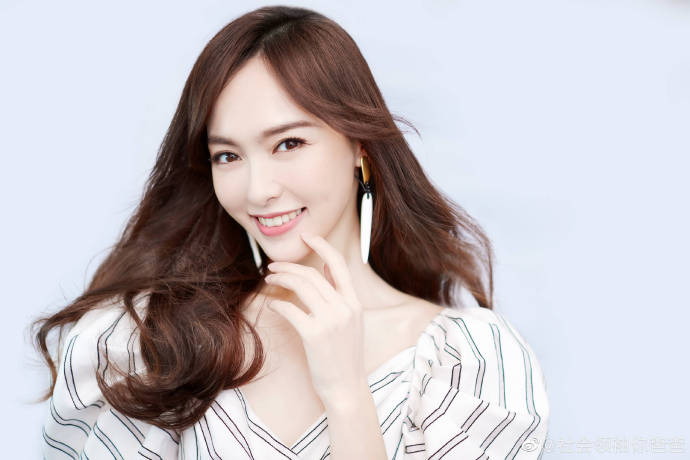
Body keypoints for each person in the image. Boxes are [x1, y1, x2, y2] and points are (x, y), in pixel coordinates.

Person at [31, 5, 550, 459]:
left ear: (359, 148)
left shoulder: (470, 361)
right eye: (227, 156)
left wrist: (346, 393)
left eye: (288, 144)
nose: (258, 191)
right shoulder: (148, 340)